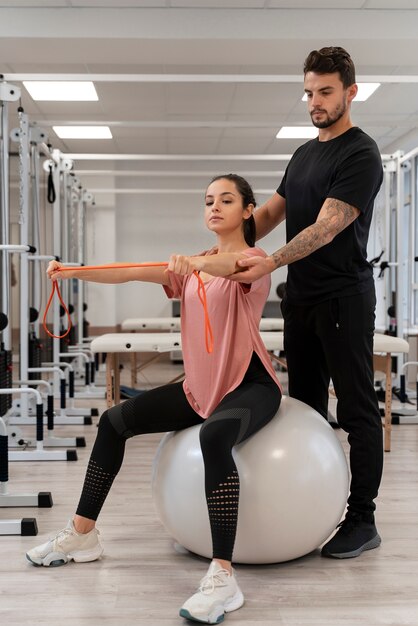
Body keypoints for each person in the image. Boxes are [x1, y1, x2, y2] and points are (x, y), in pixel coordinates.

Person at [26, 174, 282, 625]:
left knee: (215, 436)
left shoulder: (254, 259)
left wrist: (196, 267)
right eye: (208, 201)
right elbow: (129, 271)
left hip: (250, 385)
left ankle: (223, 575)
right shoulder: (194, 264)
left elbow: (231, 270)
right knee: (113, 422)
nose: (215, 207)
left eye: (226, 200)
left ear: (247, 211)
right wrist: (71, 273)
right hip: (199, 389)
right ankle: (83, 534)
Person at [210, 47, 384, 559]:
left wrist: (269, 262)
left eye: (325, 92)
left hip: (343, 298)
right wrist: (222, 244)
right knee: (306, 409)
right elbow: (267, 215)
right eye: (309, 92)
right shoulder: (304, 154)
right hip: (301, 300)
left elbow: (327, 226)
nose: (314, 101)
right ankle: (313, 506)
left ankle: (362, 518)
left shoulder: (360, 153)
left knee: (356, 411)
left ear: (350, 92)